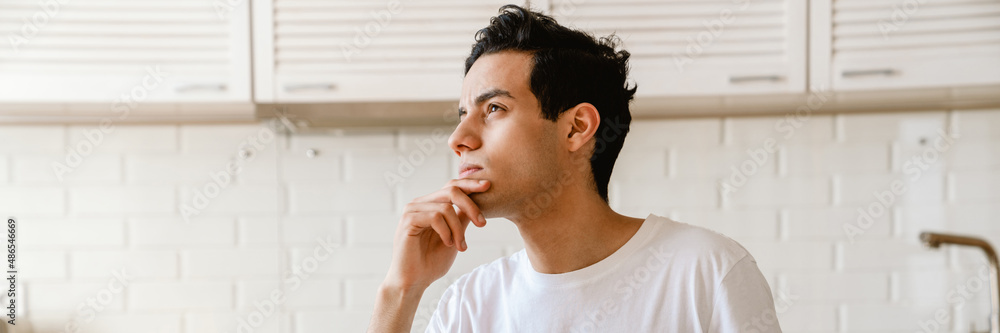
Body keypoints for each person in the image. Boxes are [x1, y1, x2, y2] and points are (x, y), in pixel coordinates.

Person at [368, 5, 781, 332]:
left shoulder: (706, 274)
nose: (458, 138)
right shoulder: (470, 306)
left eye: (494, 108)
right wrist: (400, 290)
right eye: (462, 114)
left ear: (576, 128)